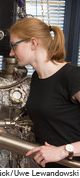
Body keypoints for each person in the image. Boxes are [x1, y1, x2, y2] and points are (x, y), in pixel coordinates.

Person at [9, 18, 80, 168]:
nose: (11, 53)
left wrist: (64, 150)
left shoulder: (72, 76)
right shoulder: (36, 77)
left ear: (33, 43)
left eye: (14, 46)